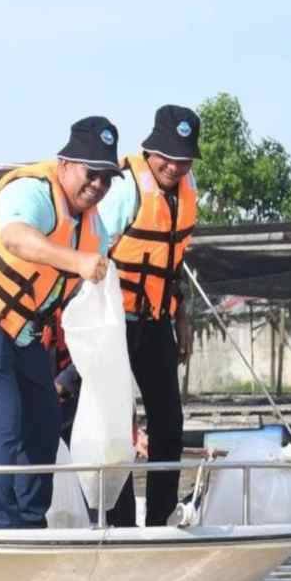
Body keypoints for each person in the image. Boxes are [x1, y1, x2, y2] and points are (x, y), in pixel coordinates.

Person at [0, 116, 119, 529]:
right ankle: (1, 527)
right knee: (1, 422)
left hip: (17, 325)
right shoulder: (32, 192)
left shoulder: (93, 228)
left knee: (44, 420)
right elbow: (17, 238)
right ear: (66, 163)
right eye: (92, 172)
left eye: (108, 178)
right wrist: (79, 262)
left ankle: (31, 522)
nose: (99, 185)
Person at [96, 104, 200, 526]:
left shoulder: (187, 188)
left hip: (157, 320)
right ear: (150, 149)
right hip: (116, 322)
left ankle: (160, 517)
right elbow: (91, 251)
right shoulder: (125, 187)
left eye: (183, 158)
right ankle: (118, 520)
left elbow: (176, 263)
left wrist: (184, 318)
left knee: (169, 423)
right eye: (167, 156)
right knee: (117, 424)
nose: (174, 166)